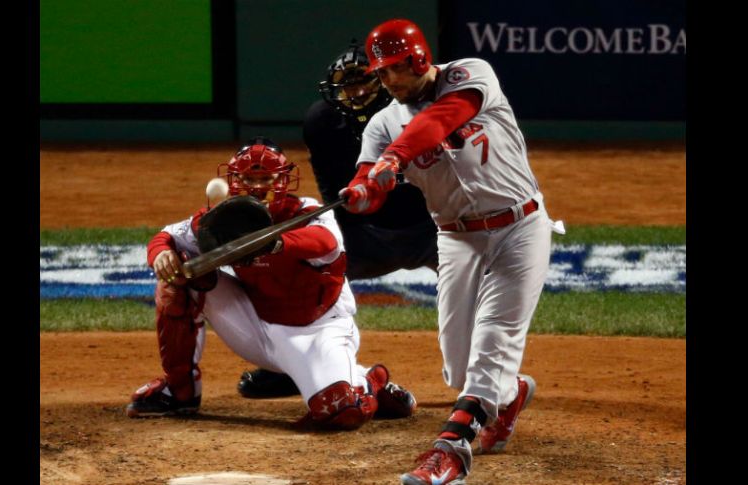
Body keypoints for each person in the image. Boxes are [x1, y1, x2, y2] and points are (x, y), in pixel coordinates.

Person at [340, 19, 560, 485]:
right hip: (456, 239)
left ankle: (451, 452)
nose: (391, 81)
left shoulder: (469, 74)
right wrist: (362, 191)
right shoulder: (382, 124)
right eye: (382, 74)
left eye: (398, 69)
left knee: (494, 340)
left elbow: (440, 118)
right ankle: (509, 392)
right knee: (460, 365)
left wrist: (394, 160)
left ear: (419, 58)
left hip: (519, 228)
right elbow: (369, 184)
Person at [125, 137, 417, 431]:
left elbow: (325, 243)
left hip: (318, 333)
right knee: (180, 278)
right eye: (248, 178)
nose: (257, 186)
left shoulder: (307, 212)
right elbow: (167, 237)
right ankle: (179, 391)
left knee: (341, 411)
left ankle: (369, 382)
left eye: (265, 178)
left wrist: (276, 243)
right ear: (234, 180)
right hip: (256, 324)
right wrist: (161, 253)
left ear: (282, 180)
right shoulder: (227, 219)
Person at [236, 41, 439, 400]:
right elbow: (332, 191)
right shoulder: (322, 122)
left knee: (480, 275)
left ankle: (484, 373)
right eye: (348, 85)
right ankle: (292, 366)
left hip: (432, 228)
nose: (357, 91)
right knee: (288, 263)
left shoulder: (419, 111)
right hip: (363, 233)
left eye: (364, 81)